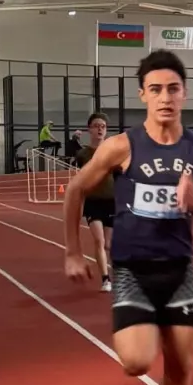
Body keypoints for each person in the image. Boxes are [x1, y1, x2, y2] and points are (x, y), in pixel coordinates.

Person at [63, 51, 193, 385]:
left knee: (181, 368)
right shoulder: (122, 146)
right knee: (137, 362)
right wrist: (72, 251)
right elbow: (75, 190)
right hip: (133, 270)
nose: (165, 97)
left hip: (179, 271)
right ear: (143, 95)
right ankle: (146, 322)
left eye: (173, 89)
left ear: (185, 93)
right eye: (155, 89)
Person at [75, 111, 115, 292]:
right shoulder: (82, 154)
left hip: (112, 201)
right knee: (99, 241)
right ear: (89, 129)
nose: (100, 129)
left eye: (103, 126)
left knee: (108, 244)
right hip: (93, 202)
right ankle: (105, 279)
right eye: (96, 126)